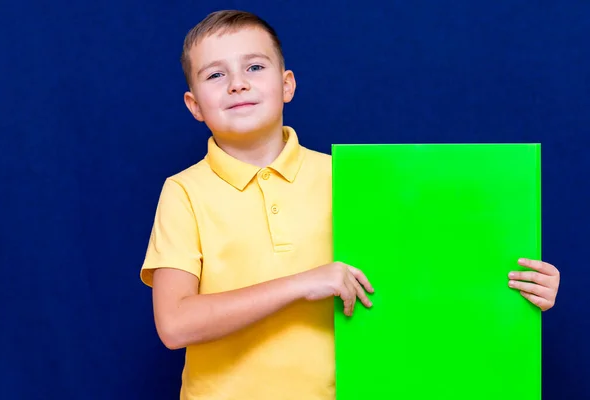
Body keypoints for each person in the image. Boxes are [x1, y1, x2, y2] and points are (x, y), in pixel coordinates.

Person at [140, 10, 561, 400]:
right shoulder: (184, 192)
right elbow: (175, 325)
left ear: (287, 84)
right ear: (194, 105)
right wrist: (303, 283)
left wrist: (520, 290)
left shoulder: (348, 179)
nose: (238, 83)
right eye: (215, 74)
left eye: (254, 67)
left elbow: (427, 277)